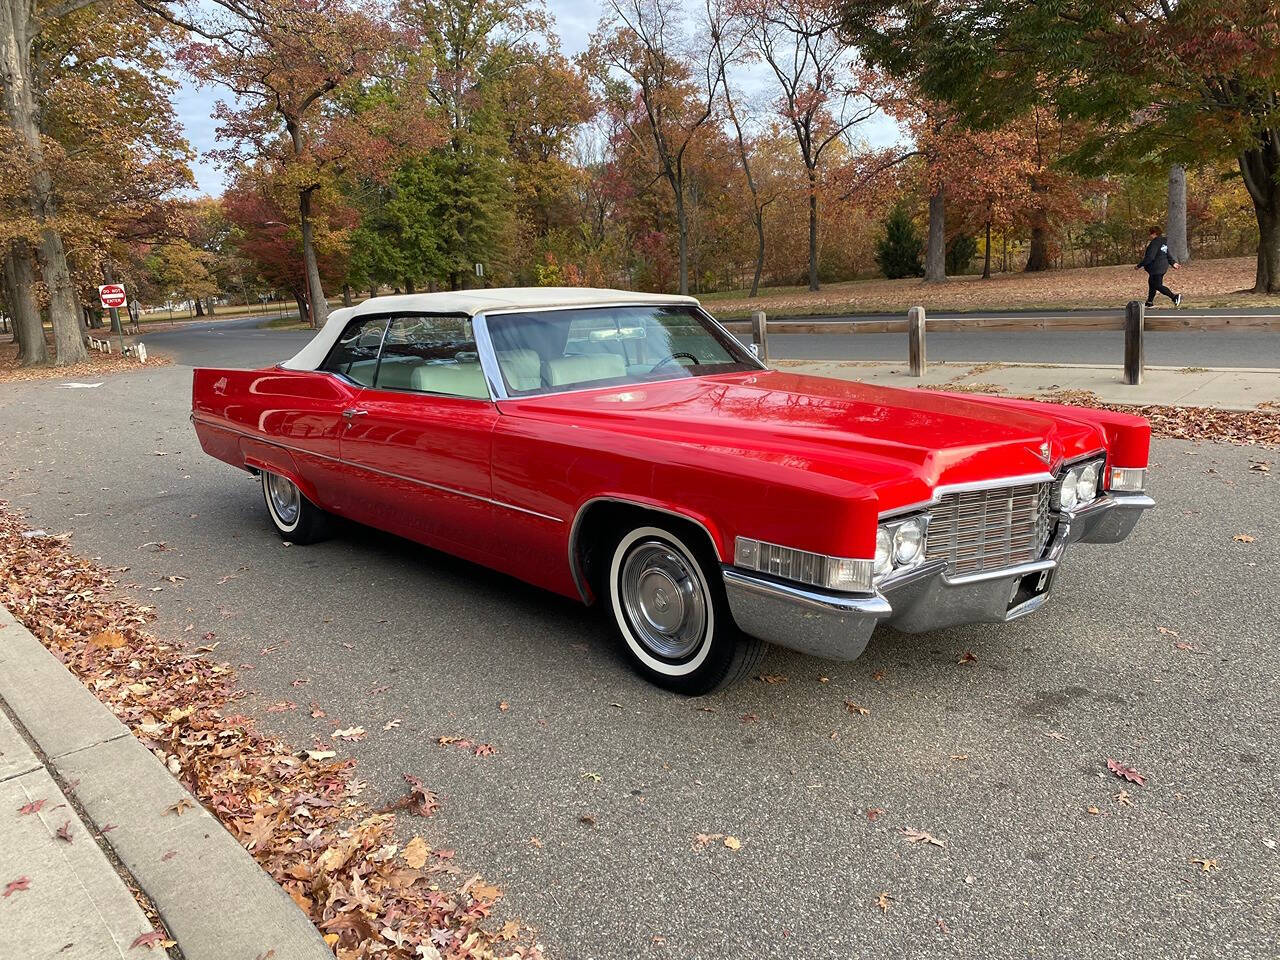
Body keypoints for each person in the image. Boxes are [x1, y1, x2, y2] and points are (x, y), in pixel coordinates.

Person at [1135, 225, 1182, 307]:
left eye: (1150, 233)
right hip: (1162, 267)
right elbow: (1167, 254)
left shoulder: (1155, 243)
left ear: (1154, 233)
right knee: (1152, 283)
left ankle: (1174, 297)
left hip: (1156, 267)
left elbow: (1150, 257)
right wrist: (1173, 263)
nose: (1150, 235)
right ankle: (1149, 302)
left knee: (1157, 285)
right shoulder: (1163, 242)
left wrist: (1139, 265)